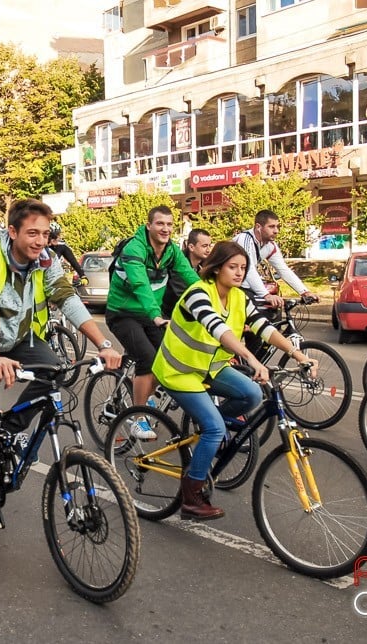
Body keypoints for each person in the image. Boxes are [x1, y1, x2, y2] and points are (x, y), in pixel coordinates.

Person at [0, 198, 122, 533]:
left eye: (45, 233)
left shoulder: (47, 260)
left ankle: (12, 427)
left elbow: (68, 299)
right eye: (32, 233)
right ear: (12, 231)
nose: (40, 240)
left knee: (55, 373)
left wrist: (103, 344)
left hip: (21, 339)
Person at [152, 241, 317, 519]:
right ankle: (191, 498)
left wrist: (298, 354)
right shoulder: (198, 293)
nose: (240, 273)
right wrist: (250, 359)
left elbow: (263, 327)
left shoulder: (240, 297)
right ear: (216, 269)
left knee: (252, 394)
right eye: (233, 267)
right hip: (178, 372)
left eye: (243, 267)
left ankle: (209, 426)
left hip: (210, 368)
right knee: (216, 430)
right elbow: (217, 328)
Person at [106, 205, 200, 438]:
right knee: (147, 359)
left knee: (169, 357)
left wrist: (216, 303)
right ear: (149, 226)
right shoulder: (135, 248)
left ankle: (144, 393)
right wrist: (157, 315)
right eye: (160, 223)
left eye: (169, 224)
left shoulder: (171, 252)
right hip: (123, 313)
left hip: (150, 315)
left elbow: (192, 279)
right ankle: (137, 418)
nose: (165, 229)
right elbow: (141, 285)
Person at [234, 209, 319, 313]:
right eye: (271, 226)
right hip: (230, 287)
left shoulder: (270, 246)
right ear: (258, 227)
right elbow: (249, 269)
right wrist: (266, 295)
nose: (276, 231)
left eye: (277, 226)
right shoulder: (245, 239)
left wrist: (305, 292)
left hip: (244, 287)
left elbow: (283, 269)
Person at [162, 228, 213, 317]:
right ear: (191, 247)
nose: (208, 250)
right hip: (171, 315)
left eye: (209, 245)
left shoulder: (206, 266)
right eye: (204, 246)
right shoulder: (178, 266)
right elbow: (184, 295)